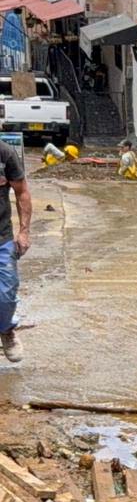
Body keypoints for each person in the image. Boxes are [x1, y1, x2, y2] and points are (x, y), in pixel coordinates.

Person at [0, 137, 32, 363]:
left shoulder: (5, 154)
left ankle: (5, 331)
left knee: (6, 293)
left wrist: (24, 232)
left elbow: (22, 192)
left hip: (1, 238)